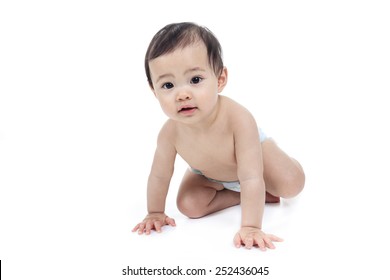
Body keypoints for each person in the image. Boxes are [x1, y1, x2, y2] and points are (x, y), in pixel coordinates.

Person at [132, 22, 305, 250]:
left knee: (292, 184)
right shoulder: (169, 133)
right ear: (154, 91)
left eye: (195, 80)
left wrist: (251, 226)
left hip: (255, 163)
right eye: (168, 85)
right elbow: (159, 177)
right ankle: (245, 195)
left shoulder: (238, 119)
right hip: (211, 175)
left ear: (220, 79)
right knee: (188, 205)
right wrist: (154, 212)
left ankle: (272, 178)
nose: (182, 94)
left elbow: (251, 176)